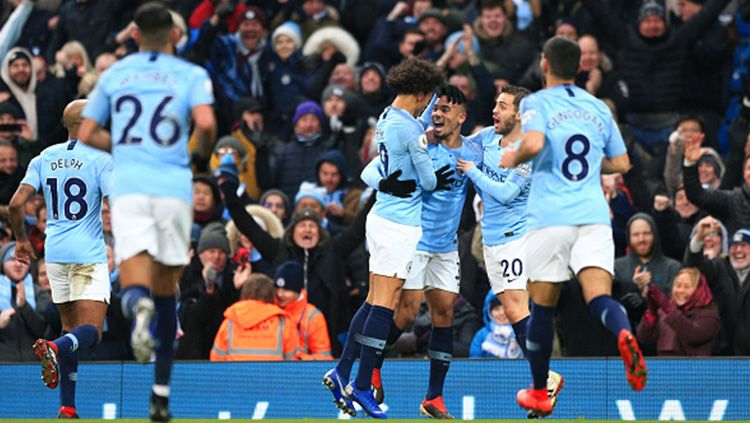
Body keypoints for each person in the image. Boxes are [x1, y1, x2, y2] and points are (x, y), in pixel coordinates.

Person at [77, 3, 217, 421]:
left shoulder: (115, 74)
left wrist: (125, 147)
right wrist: (197, 157)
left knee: (137, 278)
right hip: (173, 187)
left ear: (135, 34)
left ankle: (136, 306)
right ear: (175, 35)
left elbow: (85, 131)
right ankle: (160, 395)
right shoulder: (191, 74)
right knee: (167, 287)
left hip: (132, 186)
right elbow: (206, 124)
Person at [500, 36, 647, 416]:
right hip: (594, 216)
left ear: (545, 64)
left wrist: (511, 157)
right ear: (579, 67)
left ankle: (537, 391)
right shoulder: (597, 106)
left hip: (551, 217)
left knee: (543, 307)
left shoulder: (536, 102)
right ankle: (623, 333)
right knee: (599, 298)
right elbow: (622, 164)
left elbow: (532, 143)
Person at [322, 57, 446, 419]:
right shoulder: (409, 131)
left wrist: (388, 176)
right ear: (420, 94)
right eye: (427, 100)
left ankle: (342, 371)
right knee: (384, 305)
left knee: (374, 299)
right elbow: (429, 182)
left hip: (380, 218)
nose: (428, 107)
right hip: (401, 225)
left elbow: (375, 168)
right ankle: (361, 385)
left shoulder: (387, 119)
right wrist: (426, 150)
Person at [360, 86, 480, 418]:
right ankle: (373, 366)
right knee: (406, 313)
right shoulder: (419, 142)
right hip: (415, 240)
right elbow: (370, 171)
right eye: (435, 108)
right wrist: (388, 184)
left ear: (461, 117)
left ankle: (434, 398)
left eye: (446, 109)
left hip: (446, 246)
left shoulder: (473, 150)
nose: (438, 113)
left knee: (445, 314)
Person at [458, 85, 563, 417]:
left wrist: (471, 170)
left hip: (518, 237)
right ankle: (543, 381)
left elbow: (505, 194)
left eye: (502, 106)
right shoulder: (489, 136)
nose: (495, 110)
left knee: (518, 309)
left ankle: (546, 379)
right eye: (495, 104)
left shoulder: (530, 151)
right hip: (492, 240)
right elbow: (460, 144)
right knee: (514, 308)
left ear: (519, 114)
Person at [7, 99, 111, 419]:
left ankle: (67, 406)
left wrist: (22, 239)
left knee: (70, 329)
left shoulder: (44, 157)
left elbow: (15, 204)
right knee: (91, 332)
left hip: (55, 254)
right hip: (88, 253)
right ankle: (53, 348)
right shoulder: (101, 160)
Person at [209, 273, 300, 361]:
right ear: (271, 294)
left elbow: (216, 359)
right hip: (272, 376)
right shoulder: (283, 323)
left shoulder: (230, 323)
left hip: (236, 376)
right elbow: (293, 363)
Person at [636, 267, 720, 356]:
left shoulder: (709, 315)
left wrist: (668, 308)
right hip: (664, 367)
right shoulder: (664, 312)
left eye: (687, 287)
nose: (680, 291)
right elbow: (645, 338)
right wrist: (651, 313)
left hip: (694, 368)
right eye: (678, 285)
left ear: (699, 290)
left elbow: (693, 336)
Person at [273, 261, 332, 360]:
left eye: (286, 290)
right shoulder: (269, 309)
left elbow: (324, 357)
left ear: (298, 290)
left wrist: (299, 360)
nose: (280, 294)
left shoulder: (313, 316)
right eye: (277, 288)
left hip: (299, 372)